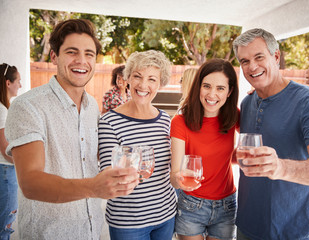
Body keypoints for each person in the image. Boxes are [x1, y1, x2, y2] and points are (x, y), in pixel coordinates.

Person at [5, 19, 139, 240]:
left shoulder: (92, 106)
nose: (82, 61)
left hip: (91, 230)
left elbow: (87, 157)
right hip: (48, 234)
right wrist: (94, 188)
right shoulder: (28, 106)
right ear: (54, 56)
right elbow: (30, 183)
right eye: (72, 52)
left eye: (89, 54)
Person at [232, 28, 309, 240]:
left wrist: (280, 167)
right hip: (247, 223)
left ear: (276, 57)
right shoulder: (247, 102)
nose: (252, 66)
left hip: (292, 228)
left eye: (259, 57)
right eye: (244, 61)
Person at [98, 50, 177, 240]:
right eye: (137, 76)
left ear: (160, 84)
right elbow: (108, 175)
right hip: (128, 222)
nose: (143, 85)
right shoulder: (109, 122)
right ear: (128, 79)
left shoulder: (165, 120)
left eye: (152, 79)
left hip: (165, 215)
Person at [170, 58, 240, 240]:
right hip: (192, 204)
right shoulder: (180, 121)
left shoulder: (235, 116)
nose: (212, 94)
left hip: (226, 205)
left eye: (220, 88)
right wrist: (179, 180)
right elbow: (174, 175)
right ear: (198, 87)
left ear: (230, 91)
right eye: (206, 86)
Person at [0, 63, 21, 240]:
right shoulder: (1, 110)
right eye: (18, 81)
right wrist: (25, 161)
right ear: (8, 83)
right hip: (6, 171)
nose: (20, 85)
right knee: (5, 224)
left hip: (4, 171)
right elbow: (5, 147)